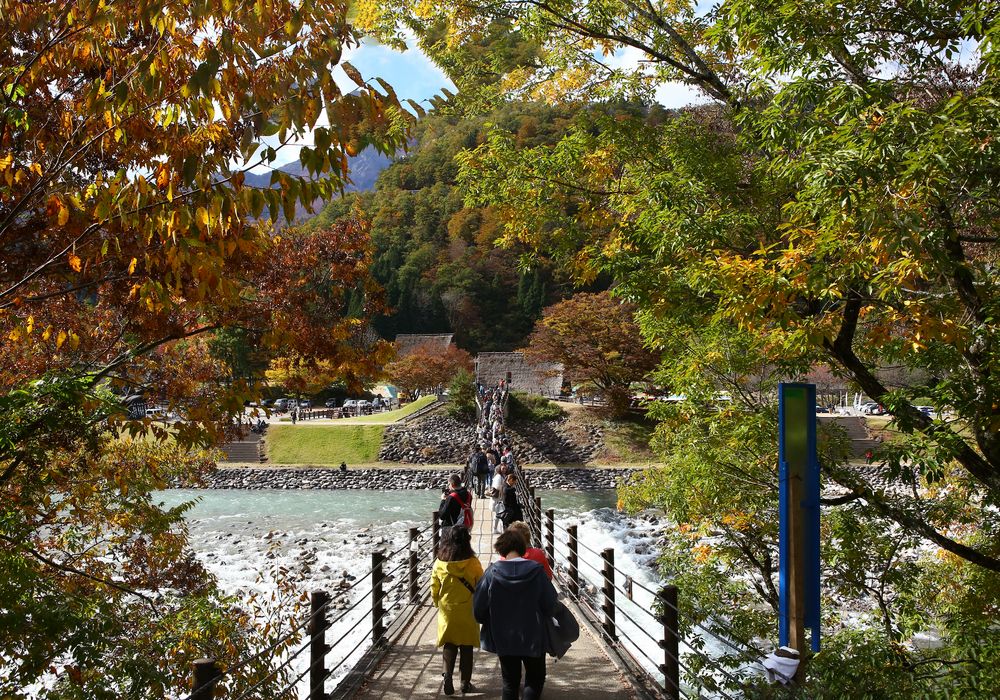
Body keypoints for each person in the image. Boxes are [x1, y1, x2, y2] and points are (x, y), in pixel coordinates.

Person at [474, 530, 557, 700]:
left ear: (501, 550)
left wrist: (488, 621)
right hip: (533, 634)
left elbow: (479, 609)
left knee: (510, 682)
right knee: (535, 680)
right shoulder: (537, 571)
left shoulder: (492, 573)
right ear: (522, 548)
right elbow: (550, 604)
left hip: (503, 636)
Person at [431, 525, 484, 696]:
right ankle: (465, 683)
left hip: (448, 609)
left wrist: (436, 602)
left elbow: (434, 587)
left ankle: (447, 676)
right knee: (466, 646)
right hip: (468, 609)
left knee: (450, 643)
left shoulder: (440, 562)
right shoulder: (473, 562)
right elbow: (481, 584)